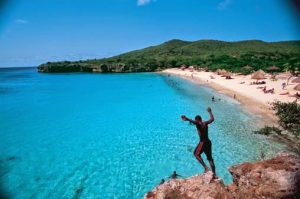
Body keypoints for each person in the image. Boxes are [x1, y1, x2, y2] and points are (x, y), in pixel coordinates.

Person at [181, 107, 217, 178]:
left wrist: (187, 118)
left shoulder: (198, 123)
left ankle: (206, 168)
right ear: (201, 119)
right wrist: (210, 112)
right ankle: (214, 174)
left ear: (197, 120)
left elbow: (195, 122)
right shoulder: (205, 123)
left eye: (196, 121)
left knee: (196, 154)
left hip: (202, 142)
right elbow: (212, 119)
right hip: (208, 142)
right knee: (210, 158)